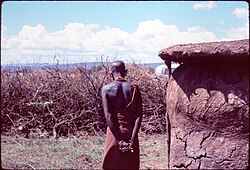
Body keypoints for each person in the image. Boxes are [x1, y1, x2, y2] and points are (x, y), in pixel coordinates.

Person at [101, 60, 143, 170]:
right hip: (130, 132)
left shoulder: (106, 89)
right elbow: (139, 115)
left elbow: (108, 116)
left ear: (111, 74)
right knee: (130, 165)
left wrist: (119, 140)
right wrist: (132, 139)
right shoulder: (134, 89)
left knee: (112, 165)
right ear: (126, 72)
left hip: (114, 133)